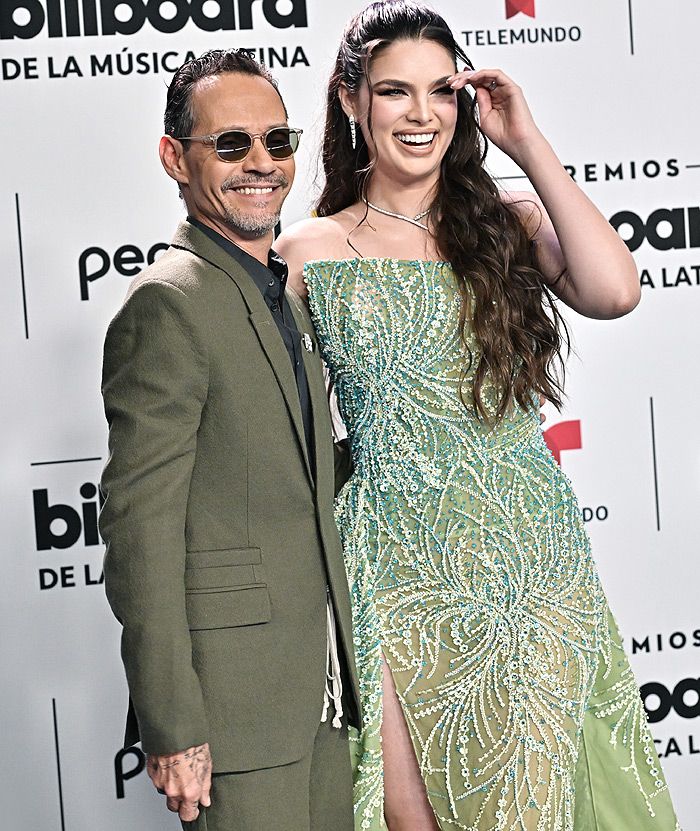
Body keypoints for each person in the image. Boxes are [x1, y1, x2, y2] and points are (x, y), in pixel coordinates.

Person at [275, 2, 680, 829]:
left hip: (528, 560)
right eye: (395, 92)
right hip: (394, 556)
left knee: (536, 804)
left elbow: (617, 290)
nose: (422, 115)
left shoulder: (505, 221)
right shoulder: (306, 250)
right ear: (352, 102)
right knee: (410, 813)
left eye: (441, 92)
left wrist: (526, 143)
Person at [99, 49, 360, 831]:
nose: (261, 164)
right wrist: (172, 725)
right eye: (232, 143)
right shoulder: (168, 305)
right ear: (175, 158)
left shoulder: (289, 289)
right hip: (235, 718)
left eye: (277, 142)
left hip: (331, 694)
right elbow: (137, 530)